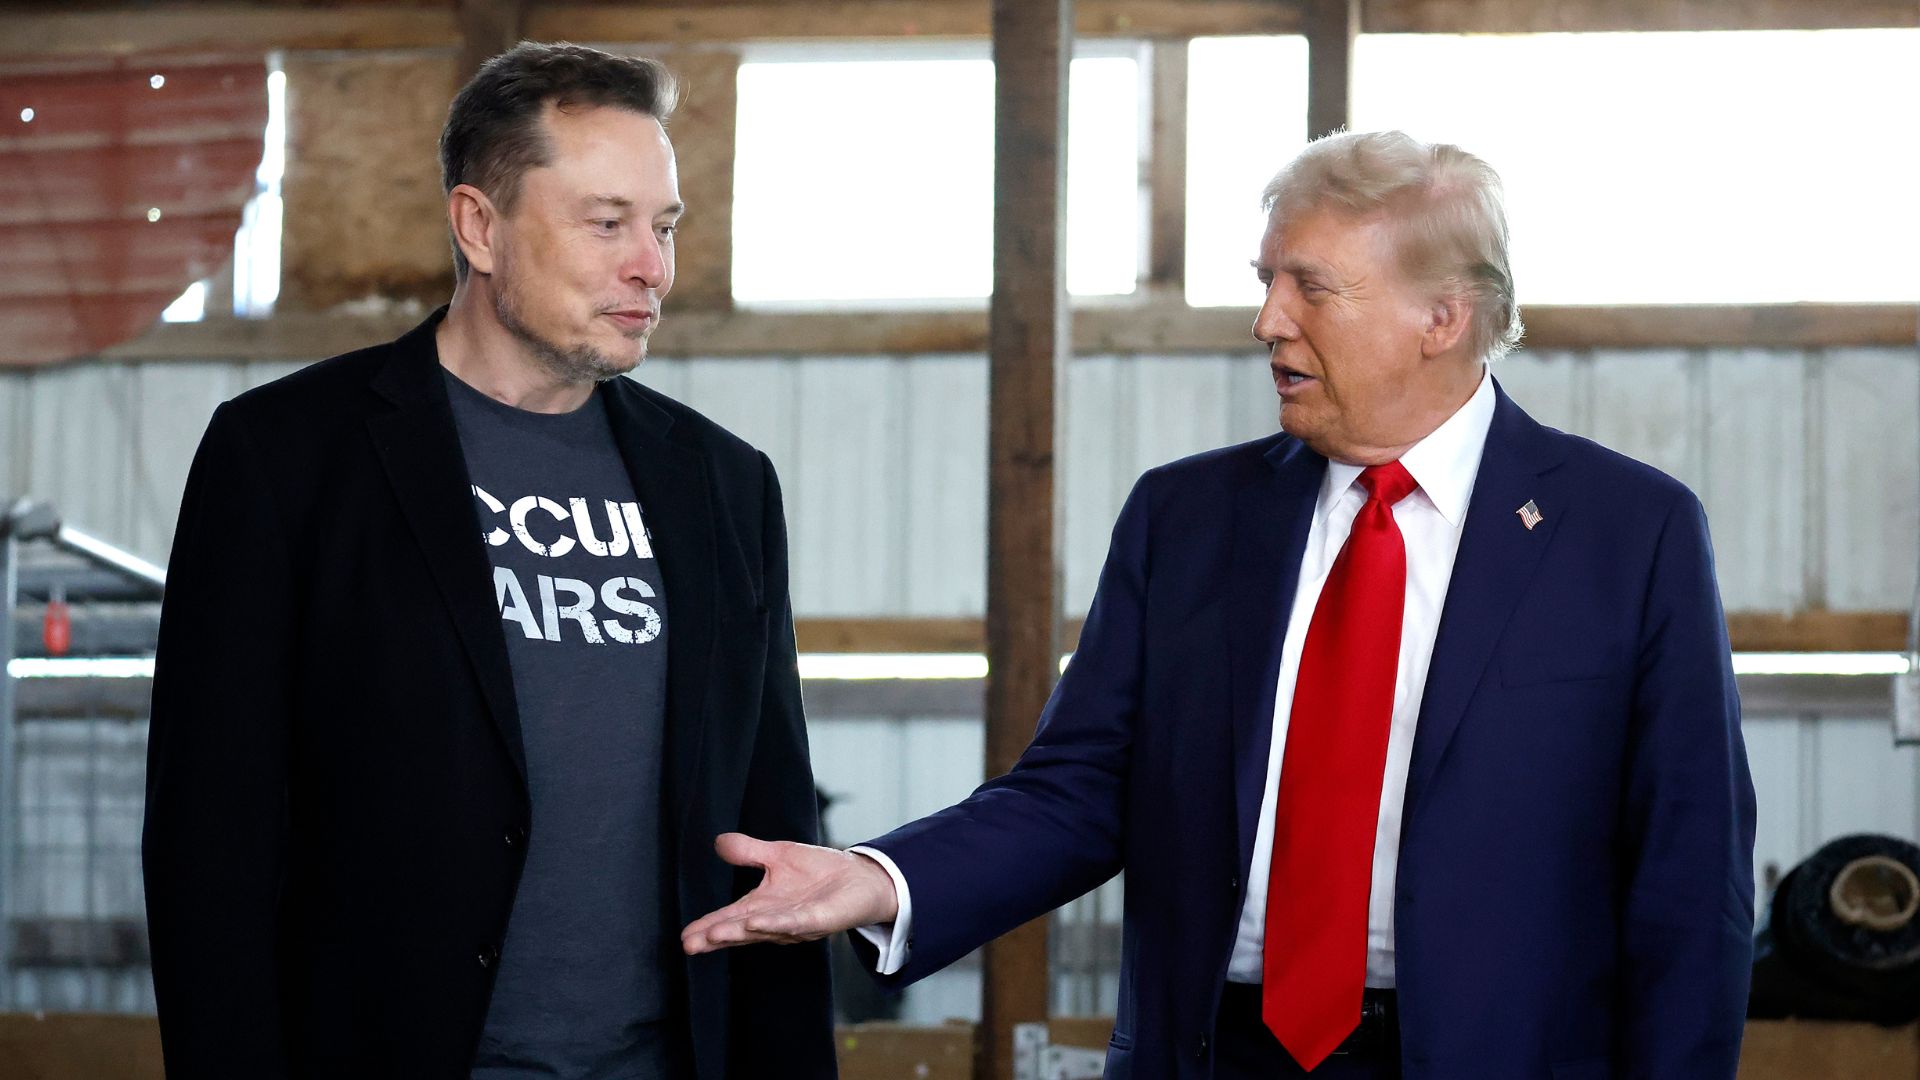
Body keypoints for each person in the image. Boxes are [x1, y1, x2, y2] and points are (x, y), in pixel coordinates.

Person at [683, 131, 1757, 1079]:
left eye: (1310, 287)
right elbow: (1080, 790)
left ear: (1442, 316)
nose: (1266, 321)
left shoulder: (1629, 533)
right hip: (1212, 1053)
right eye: (1265, 280)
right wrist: (880, 879)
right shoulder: (1187, 518)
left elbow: (1689, 876)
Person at [143, 42, 833, 1079]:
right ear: (479, 226)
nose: (652, 267)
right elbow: (209, 840)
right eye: (606, 223)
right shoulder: (287, 457)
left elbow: (774, 826)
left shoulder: (723, 483)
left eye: (663, 226)